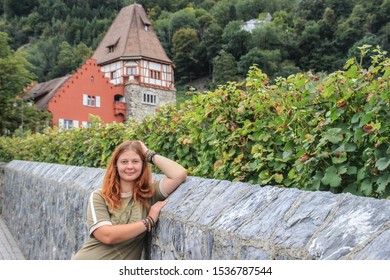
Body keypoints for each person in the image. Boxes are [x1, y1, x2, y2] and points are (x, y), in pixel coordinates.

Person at [72, 140, 187, 260]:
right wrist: (148, 222)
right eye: (124, 162)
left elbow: (179, 174)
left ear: (143, 164)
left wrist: (148, 154)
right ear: (116, 165)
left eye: (135, 161)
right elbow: (106, 235)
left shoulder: (150, 193)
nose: (130, 166)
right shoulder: (99, 196)